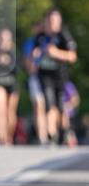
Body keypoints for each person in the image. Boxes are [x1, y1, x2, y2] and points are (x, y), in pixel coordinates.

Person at [30, 8, 77, 144]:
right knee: (49, 105)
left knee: (61, 107)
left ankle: (63, 131)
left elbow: (73, 56)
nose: (52, 23)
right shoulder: (40, 37)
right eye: (50, 20)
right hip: (44, 76)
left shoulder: (63, 36)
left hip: (60, 77)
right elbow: (33, 55)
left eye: (55, 20)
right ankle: (52, 134)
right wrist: (36, 55)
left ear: (59, 21)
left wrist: (56, 53)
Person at [0, 27, 19, 145]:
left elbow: (18, 70)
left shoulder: (14, 53)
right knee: (0, 110)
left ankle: (9, 137)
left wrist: (8, 62)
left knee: (10, 112)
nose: (4, 41)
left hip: (11, 85)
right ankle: (0, 137)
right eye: (2, 38)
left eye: (6, 38)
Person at [22, 22, 48, 144]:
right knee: (39, 106)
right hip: (36, 78)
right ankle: (42, 137)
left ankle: (52, 133)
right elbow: (28, 64)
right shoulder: (30, 42)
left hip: (50, 78)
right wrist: (33, 58)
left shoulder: (50, 40)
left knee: (50, 106)